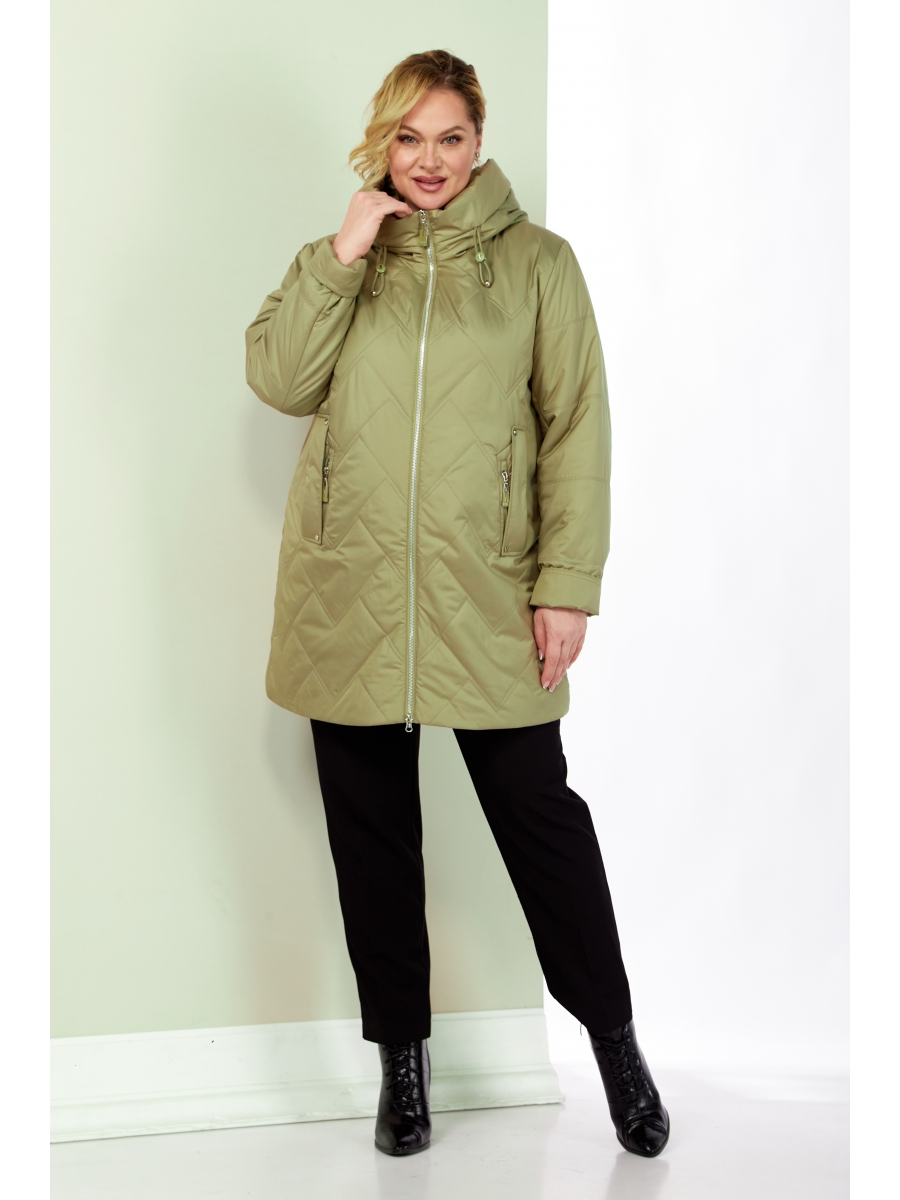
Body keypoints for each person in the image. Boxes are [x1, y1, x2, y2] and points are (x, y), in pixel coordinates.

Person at [245, 50, 670, 1160]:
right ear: (382, 142)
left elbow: (577, 429)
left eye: (449, 138)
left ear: (479, 143)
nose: (427, 161)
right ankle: (403, 1069)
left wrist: (566, 585)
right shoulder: (342, 259)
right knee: (373, 842)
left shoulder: (539, 265)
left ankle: (618, 1048)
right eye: (408, 138)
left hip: (488, 588)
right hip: (350, 589)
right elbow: (280, 381)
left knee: (541, 822)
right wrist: (341, 256)